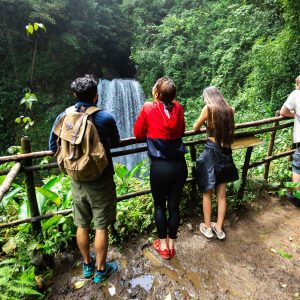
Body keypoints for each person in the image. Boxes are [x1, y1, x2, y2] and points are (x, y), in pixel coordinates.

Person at [49, 74, 120, 283]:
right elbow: (115, 142)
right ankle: (101, 269)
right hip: (101, 179)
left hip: (77, 180)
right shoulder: (105, 117)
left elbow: (53, 147)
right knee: (101, 226)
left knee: (82, 224)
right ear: (96, 96)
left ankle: (87, 265)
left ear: (74, 94)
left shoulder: (63, 116)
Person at [134, 77, 188, 259]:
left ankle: (163, 245)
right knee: (174, 206)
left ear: (157, 92)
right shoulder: (178, 107)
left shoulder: (149, 108)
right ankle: (172, 245)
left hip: (160, 167)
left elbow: (137, 133)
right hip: (179, 165)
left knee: (159, 206)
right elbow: (181, 130)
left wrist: (151, 133)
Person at [193, 86, 238, 240]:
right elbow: (231, 129)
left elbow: (194, 128)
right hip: (226, 152)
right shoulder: (230, 110)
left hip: (211, 152)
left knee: (207, 192)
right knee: (222, 196)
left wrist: (207, 127)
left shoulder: (209, 108)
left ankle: (207, 227)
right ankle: (218, 228)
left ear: (208, 97)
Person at [280, 75, 300, 207]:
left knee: (297, 166)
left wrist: (295, 113)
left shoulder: (296, 94)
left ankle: (297, 197)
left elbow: (283, 112)